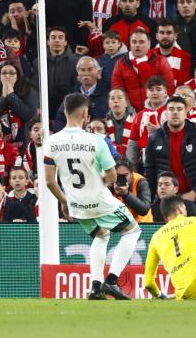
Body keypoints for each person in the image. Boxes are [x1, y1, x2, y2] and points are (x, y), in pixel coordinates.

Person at [45, 93, 141, 300]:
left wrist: (63, 202)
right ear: (85, 114)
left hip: (75, 204)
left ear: (65, 111)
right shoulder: (96, 140)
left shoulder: (51, 142)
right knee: (132, 231)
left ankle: (95, 287)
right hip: (99, 199)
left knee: (101, 236)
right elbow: (112, 175)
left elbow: (49, 181)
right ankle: (111, 282)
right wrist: (100, 181)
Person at [144, 96, 196, 220]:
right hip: (166, 197)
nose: (175, 112)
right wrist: (152, 198)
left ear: (186, 114)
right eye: (171, 109)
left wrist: (193, 193)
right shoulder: (154, 138)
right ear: (166, 113)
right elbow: (149, 171)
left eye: (179, 109)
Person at [111, 28, 175, 111]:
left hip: (157, 109)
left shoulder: (160, 61)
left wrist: (160, 110)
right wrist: (129, 109)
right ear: (129, 44)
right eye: (134, 42)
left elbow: (169, 87)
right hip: (130, 111)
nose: (137, 45)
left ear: (149, 44)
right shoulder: (120, 63)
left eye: (141, 42)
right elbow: (117, 89)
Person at [0, 61, 38, 142]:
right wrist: (3, 98)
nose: (7, 76)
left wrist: (11, 96)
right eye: (4, 73)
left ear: (17, 76)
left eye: (11, 73)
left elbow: (30, 116)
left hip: (23, 136)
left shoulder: (28, 89)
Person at [55, 56, 110, 131]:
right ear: (78, 73)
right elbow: (60, 118)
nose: (86, 73)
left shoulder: (108, 93)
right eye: (82, 70)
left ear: (98, 72)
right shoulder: (71, 95)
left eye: (90, 69)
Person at [112, 156, 153, 223]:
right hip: (119, 225)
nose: (122, 178)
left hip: (143, 224)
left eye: (125, 175)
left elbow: (144, 210)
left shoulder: (140, 181)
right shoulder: (109, 181)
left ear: (131, 174)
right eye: (118, 175)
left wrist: (126, 194)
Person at [152, 19, 191, 87]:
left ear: (175, 36)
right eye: (161, 32)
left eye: (169, 33)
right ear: (157, 36)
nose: (165, 36)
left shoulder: (185, 58)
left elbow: (185, 86)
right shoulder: (149, 56)